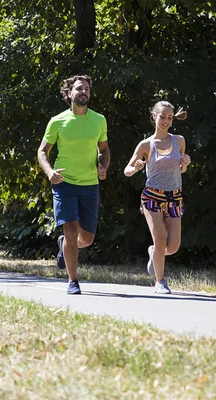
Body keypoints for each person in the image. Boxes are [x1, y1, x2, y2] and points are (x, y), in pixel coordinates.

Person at [37, 75, 110, 295]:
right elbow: (42, 151)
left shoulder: (99, 120)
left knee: (86, 239)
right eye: (79, 89)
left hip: (89, 183)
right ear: (69, 93)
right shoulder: (57, 121)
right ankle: (73, 281)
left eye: (87, 89)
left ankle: (65, 246)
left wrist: (103, 166)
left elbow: (104, 150)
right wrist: (49, 172)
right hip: (64, 182)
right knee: (71, 229)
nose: (84, 92)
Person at [124, 101, 191, 294]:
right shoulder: (146, 144)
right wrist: (136, 167)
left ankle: (154, 252)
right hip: (152, 196)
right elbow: (127, 170)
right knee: (160, 239)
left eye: (170, 118)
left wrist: (185, 163)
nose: (166, 121)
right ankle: (160, 282)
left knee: (174, 246)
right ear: (154, 116)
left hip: (174, 197)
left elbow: (181, 169)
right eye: (162, 116)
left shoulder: (179, 141)